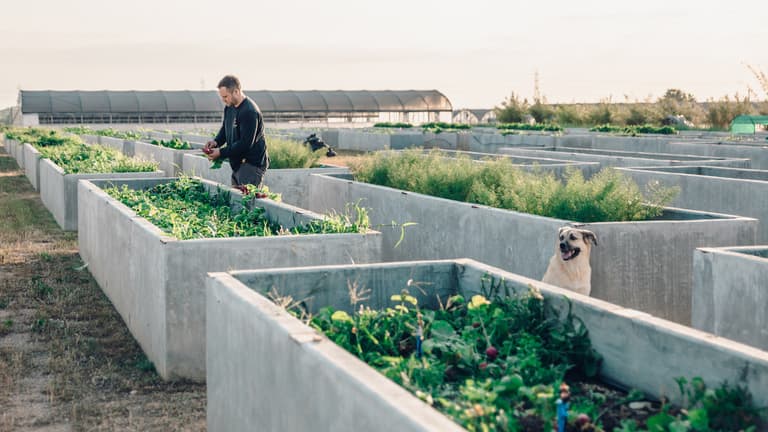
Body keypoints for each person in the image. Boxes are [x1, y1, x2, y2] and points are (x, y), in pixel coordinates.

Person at [204, 75, 269, 188]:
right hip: (238, 164)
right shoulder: (230, 107)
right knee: (237, 201)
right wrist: (216, 142)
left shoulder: (249, 111)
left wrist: (220, 152)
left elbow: (245, 144)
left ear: (236, 91)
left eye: (225, 96)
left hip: (251, 165)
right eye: (222, 97)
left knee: (245, 202)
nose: (223, 100)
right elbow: (225, 128)